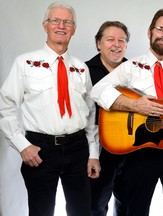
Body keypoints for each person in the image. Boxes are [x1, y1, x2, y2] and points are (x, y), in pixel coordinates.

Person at [91, 9, 163, 216]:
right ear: (150, 32)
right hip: (141, 151)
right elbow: (98, 90)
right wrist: (135, 105)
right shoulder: (131, 67)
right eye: (160, 29)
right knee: (136, 210)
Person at [0, 2, 100, 216]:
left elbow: (91, 114)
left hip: (78, 148)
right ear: (45, 25)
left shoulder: (81, 68)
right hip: (41, 149)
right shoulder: (25, 63)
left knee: (82, 211)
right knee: (41, 211)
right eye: (55, 20)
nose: (61, 25)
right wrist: (22, 145)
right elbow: (5, 106)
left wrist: (93, 154)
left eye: (67, 22)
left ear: (74, 29)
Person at [85, 21, 130, 216]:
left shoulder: (134, 71)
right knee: (95, 206)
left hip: (130, 151)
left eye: (121, 40)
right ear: (98, 43)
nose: (116, 44)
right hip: (97, 152)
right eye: (110, 39)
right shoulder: (84, 71)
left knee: (127, 206)